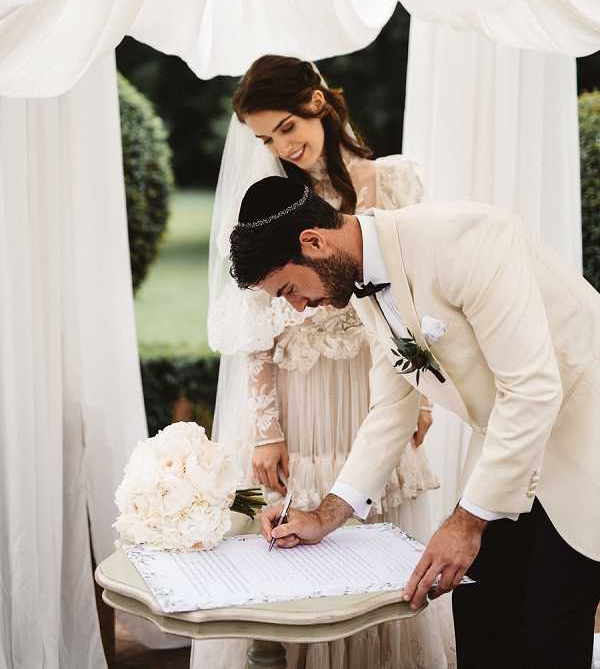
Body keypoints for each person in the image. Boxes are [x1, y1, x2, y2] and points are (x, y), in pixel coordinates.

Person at [229, 174, 600, 669]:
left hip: (586, 438)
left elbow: (533, 389)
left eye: (290, 289)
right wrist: (326, 516)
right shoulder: (363, 287)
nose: (297, 307)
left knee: (548, 635)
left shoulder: (470, 238)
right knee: (481, 620)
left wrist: (466, 522)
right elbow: (390, 408)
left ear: (313, 242)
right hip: (507, 445)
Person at [192, 56, 454, 669]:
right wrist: (266, 428)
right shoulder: (270, 199)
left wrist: (417, 393)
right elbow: (256, 317)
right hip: (299, 389)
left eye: (286, 126)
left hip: (372, 383)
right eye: (265, 138)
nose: (283, 146)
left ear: (318, 102)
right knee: (300, 546)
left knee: (376, 532)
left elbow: (416, 294)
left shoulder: (393, 182)